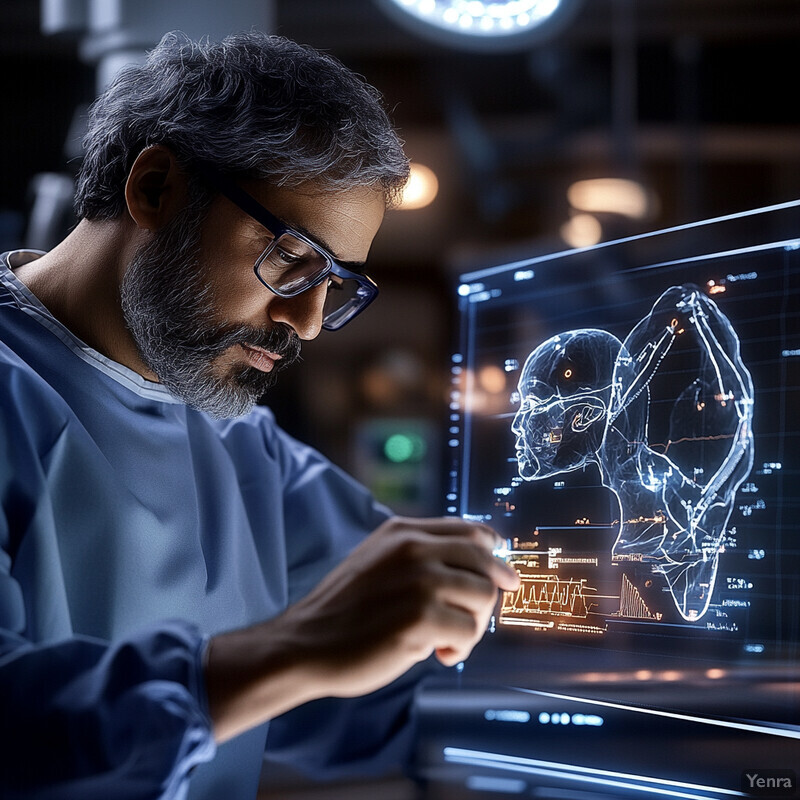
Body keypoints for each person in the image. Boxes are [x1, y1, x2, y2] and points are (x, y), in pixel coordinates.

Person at [0, 31, 520, 800]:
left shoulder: (243, 450)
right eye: (291, 260)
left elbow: (392, 693)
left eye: (337, 285)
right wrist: (291, 651)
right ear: (155, 189)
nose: (307, 322)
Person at [511, 285, 753, 621]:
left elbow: (734, 412)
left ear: (585, 415)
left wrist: (692, 312)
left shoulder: (677, 514)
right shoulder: (604, 509)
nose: (517, 425)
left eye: (534, 404)